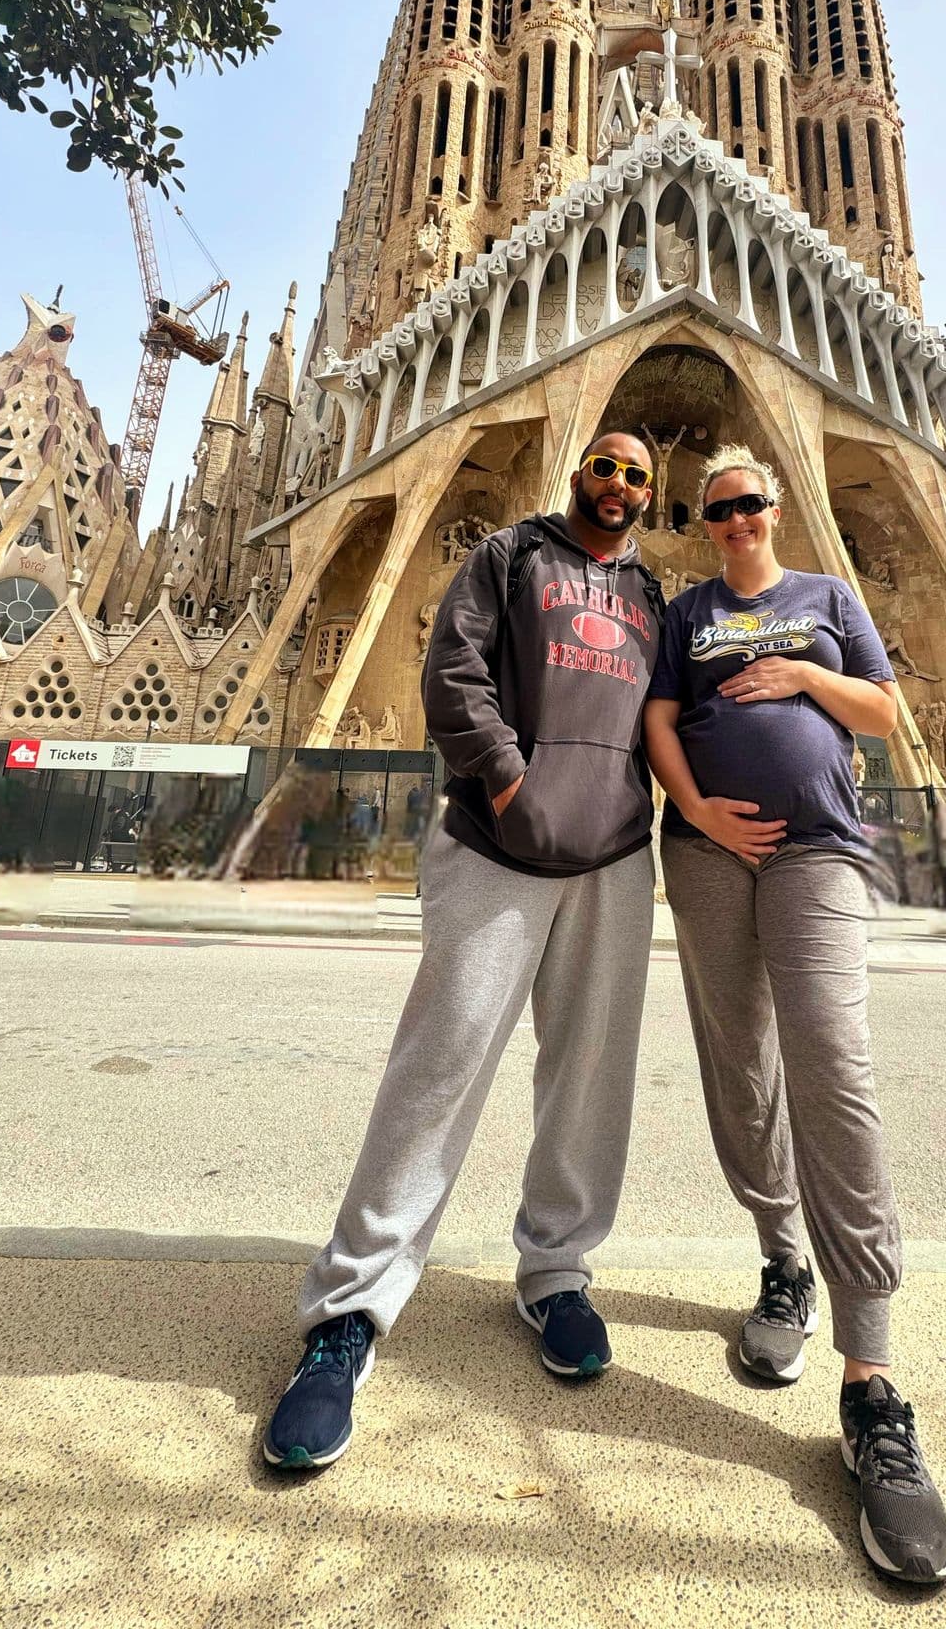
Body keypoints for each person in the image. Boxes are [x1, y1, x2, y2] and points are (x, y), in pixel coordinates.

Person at [263, 431, 666, 1468]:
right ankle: (347, 1312)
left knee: (590, 1075)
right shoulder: (511, 555)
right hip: (499, 843)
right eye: (607, 465)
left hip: (615, 854)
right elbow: (455, 668)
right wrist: (505, 781)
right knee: (441, 1064)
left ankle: (558, 1272)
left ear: (649, 496)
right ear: (578, 470)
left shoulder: (653, 595)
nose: (619, 483)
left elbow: (670, 717)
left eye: (638, 475)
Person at [643, 444, 946, 1587]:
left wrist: (805, 681)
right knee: (741, 1069)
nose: (733, 520)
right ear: (706, 517)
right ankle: (784, 1262)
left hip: (820, 851)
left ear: (776, 508)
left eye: (748, 503)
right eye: (716, 508)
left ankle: (870, 1374)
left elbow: (883, 712)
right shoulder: (685, 611)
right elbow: (660, 722)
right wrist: (701, 817)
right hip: (711, 853)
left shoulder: (828, 598)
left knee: (835, 1070)